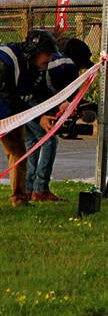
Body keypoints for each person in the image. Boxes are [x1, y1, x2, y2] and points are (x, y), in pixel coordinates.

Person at [24, 38, 94, 202]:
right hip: (34, 104)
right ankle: (40, 189)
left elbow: (59, 94)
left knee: (32, 144)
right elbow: (67, 95)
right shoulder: (66, 65)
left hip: (26, 101)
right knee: (49, 141)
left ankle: (27, 189)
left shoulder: (55, 62)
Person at [0, 30, 58, 207]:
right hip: (8, 109)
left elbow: (38, 91)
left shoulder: (34, 67)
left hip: (11, 114)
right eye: (47, 54)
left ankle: (19, 198)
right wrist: (38, 117)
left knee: (18, 152)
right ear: (35, 51)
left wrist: (59, 104)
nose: (49, 59)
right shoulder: (5, 61)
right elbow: (8, 95)